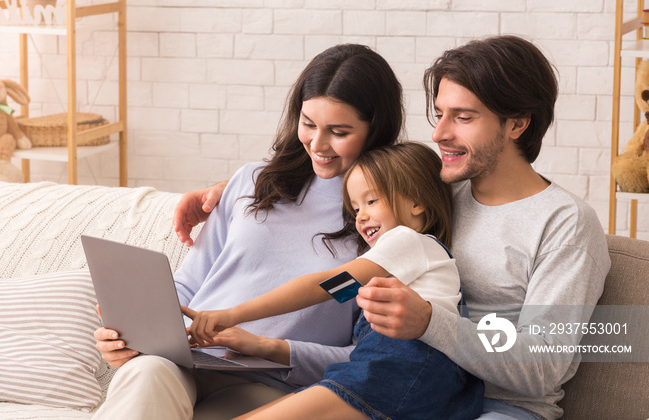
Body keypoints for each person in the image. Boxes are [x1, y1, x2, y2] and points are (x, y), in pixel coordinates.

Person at [174, 35, 611, 420]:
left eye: (462, 117)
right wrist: (229, 191)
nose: (438, 133)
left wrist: (428, 324)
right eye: (438, 113)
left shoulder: (565, 224)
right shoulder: (436, 196)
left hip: (499, 406)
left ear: (517, 123)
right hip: (402, 386)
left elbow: (542, 368)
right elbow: (342, 207)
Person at [92, 43, 406, 420]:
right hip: (185, 361)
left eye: (339, 131)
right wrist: (135, 332)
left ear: (376, 129)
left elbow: (364, 358)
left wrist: (267, 347)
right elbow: (189, 286)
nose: (318, 145)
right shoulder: (251, 182)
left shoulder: (385, 221)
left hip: (275, 386)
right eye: (308, 124)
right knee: (144, 374)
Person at [185, 141, 484, 420]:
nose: (361, 217)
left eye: (371, 200)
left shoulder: (407, 242)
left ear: (417, 203)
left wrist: (231, 314)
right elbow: (340, 290)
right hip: (377, 369)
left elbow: (324, 287)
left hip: (405, 368)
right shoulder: (390, 265)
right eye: (355, 208)